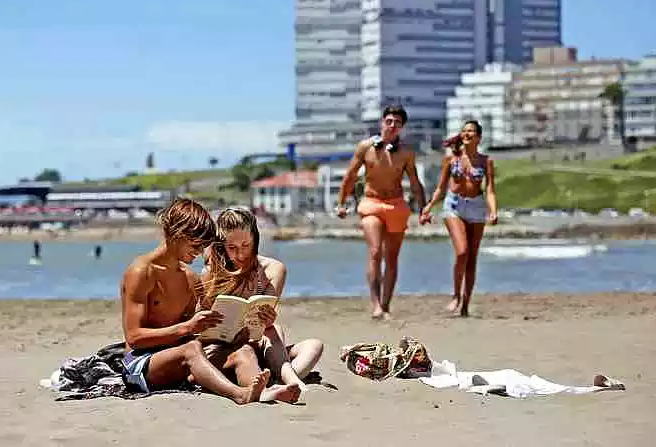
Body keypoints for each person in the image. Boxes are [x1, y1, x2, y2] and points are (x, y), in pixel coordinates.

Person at [119, 197, 292, 405]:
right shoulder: (141, 272)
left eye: (203, 246)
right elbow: (134, 337)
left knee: (242, 352)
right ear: (176, 234)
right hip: (141, 363)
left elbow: (195, 334)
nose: (200, 252)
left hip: (181, 358)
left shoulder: (190, 278)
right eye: (196, 245)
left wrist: (241, 329)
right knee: (191, 350)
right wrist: (187, 328)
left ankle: (262, 393)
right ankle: (240, 395)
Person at [201, 206, 323, 396]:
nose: (240, 255)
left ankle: (280, 379)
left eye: (246, 246)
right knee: (273, 333)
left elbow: (264, 324)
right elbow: (201, 329)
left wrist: (266, 319)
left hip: (258, 344)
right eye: (231, 248)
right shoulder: (212, 273)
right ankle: (286, 379)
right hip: (224, 347)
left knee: (312, 345)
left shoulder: (273, 269)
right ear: (221, 245)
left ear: (255, 240)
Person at [336, 105, 427, 319]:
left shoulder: (406, 152)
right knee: (375, 252)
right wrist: (341, 202)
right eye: (389, 121)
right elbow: (350, 176)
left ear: (402, 127)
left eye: (397, 123)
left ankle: (385, 305)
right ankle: (376, 304)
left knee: (392, 258)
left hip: (396, 205)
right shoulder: (365, 147)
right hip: (371, 202)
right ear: (382, 123)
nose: (392, 125)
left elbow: (415, 182)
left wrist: (423, 208)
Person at [419, 120, 498, 317]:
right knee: (462, 252)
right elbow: (441, 188)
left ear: (479, 137)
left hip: (477, 207)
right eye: (464, 131)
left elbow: (489, 190)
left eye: (471, 131)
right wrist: (428, 207)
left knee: (472, 259)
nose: (467, 134)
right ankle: (455, 295)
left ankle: (465, 304)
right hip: (454, 205)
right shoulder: (451, 160)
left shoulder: (485, 161)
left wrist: (493, 210)